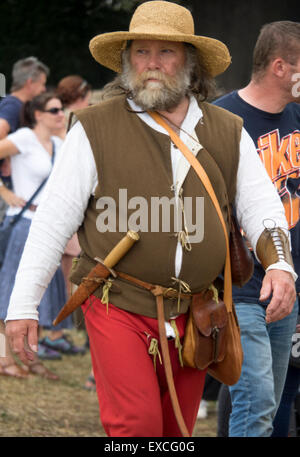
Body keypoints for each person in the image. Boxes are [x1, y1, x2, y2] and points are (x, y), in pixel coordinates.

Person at [4, 1, 297, 437]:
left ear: (190, 62)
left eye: (166, 52)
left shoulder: (226, 128)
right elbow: (52, 222)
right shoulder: (94, 127)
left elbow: (262, 207)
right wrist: (22, 306)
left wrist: (279, 264)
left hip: (198, 313)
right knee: (136, 428)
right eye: (141, 52)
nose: (152, 64)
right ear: (126, 60)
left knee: (175, 431)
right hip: (117, 304)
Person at [214, 20, 300, 437]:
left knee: (261, 399)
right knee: (259, 401)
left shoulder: (298, 116)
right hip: (239, 283)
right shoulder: (221, 119)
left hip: (286, 283)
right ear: (281, 67)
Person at [0, 92, 69, 379]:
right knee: (9, 294)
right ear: (38, 114)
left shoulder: (59, 143)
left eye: (62, 109)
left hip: (47, 226)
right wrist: (5, 193)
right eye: (54, 109)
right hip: (23, 223)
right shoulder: (25, 138)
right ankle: (4, 359)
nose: (60, 113)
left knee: (38, 296)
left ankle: (30, 357)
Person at [0, 57, 49, 220]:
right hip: (8, 194)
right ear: (29, 83)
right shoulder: (13, 107)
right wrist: (3, 190)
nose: (43, 89)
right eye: (42, 84)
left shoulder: (14, 105)